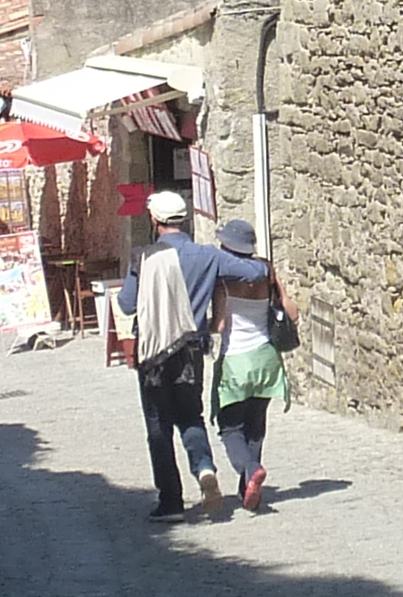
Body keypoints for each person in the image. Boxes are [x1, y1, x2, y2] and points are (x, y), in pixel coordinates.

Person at [115, 190, 245, 518]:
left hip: (154, 354)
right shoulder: (207, 255)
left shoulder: (143, 258)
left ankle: (170, 501)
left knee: (158, 427)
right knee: (191, 416)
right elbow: (250, 271)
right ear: (184, 219)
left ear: (154, 219)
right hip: (191, 350)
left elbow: (126, 304)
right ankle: (203, 468)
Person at [204, 217, 290, 510]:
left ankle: (250, 470)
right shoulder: (267, 270)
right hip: (267, 358)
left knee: (230, 427)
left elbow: (220, 324)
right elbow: (292, 311)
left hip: (236, 360)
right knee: (255, 426)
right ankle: (248, 492)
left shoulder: (224, 281)